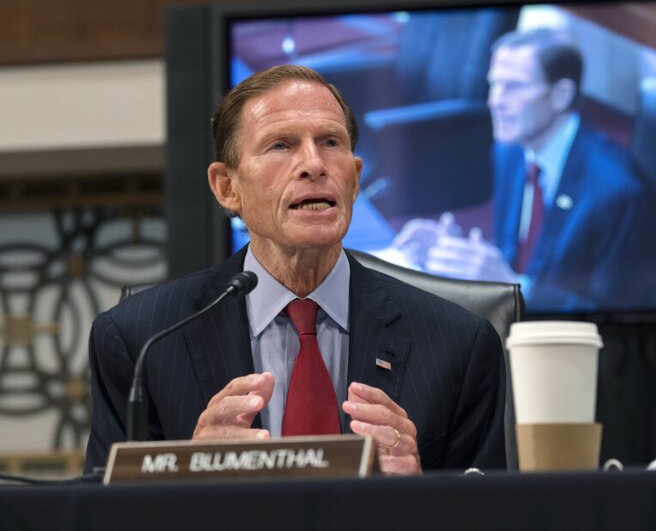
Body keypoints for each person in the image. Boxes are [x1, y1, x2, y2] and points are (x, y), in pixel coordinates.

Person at [85, 65, 507, 475]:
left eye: (330, 142)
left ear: (355, 180)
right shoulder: (143, 342)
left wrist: (419, 499)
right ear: (227, 187)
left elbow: (493, 516)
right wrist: (188, 482)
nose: (314, 164)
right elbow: (105, 518)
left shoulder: (458, 345)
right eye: (281, 145)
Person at [393, 28, 646, 312]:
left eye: (513, 87)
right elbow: (512, 257)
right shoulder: (509, 152)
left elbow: (609, 314)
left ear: (561, 95)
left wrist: (513, 288)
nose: (495, 101)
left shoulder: (614, 189)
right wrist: (453, 250)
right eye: (494, 85)